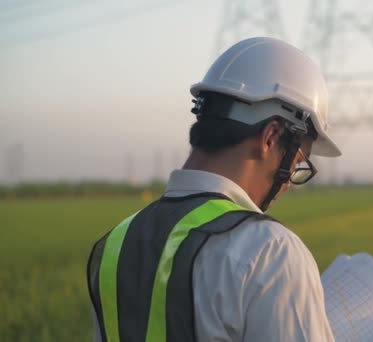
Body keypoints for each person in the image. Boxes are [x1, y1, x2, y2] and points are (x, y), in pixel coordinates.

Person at [87, 37, 341, 342]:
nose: (288, 183)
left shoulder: (117, 242)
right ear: (271, 137)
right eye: (298, 161)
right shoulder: (269, 253)